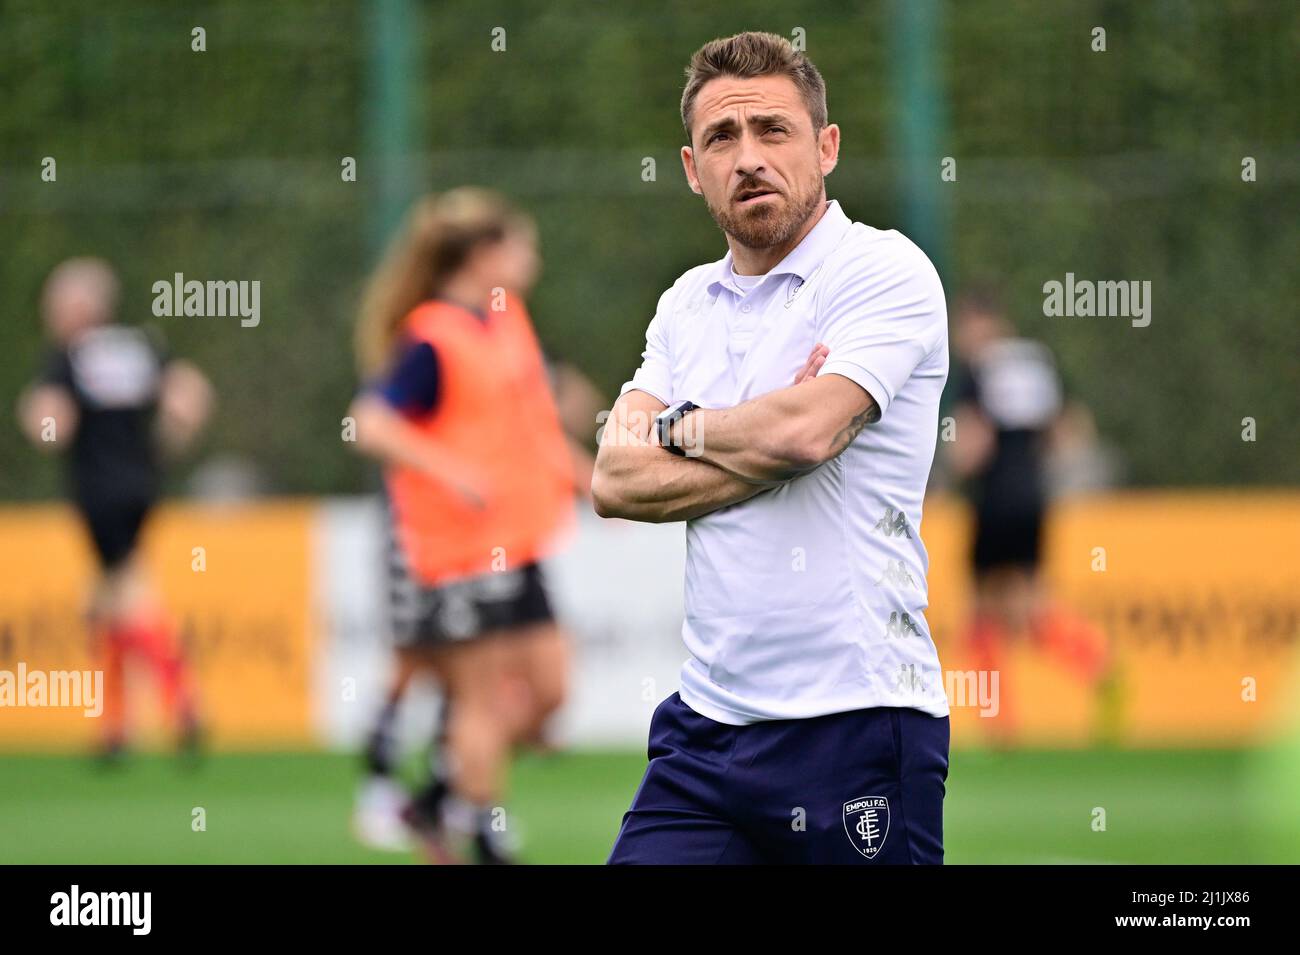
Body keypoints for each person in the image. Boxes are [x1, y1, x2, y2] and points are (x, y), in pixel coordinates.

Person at [593, 32, 950, 864]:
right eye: (723, 137)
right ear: (691, 167)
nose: (748, 156)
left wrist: (682, 427)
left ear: (826, 146)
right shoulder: (685, 302)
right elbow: (613, 477)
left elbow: (807, 429)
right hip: (706, 735)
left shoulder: (884, 270)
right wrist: (774, 437)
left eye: (773, 130)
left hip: (857, 722)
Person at [347, 188, 578, 864]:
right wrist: (451, 472)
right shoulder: (430, 335)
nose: (531, 258)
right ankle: (479, 829)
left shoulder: (507, 321)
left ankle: (435, 797)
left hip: (521, 536)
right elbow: (370, 422)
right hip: (460, 546)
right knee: (477, 699)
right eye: (520, 244)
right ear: (484, 254)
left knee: (548, 695)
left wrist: (586, 477)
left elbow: (530, 426)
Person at [17, 257, 212, 760]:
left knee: (129, 597)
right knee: (105, 603)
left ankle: (181, 703)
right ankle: (114, 727)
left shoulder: (70, 356)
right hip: (141, 486)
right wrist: (162, 446)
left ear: (82, 308)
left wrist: (39, 423)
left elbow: (50, 424)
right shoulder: (140, 346)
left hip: (98, 492)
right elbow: (189, 396)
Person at [947, 287, 1112, 744]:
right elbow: (1071, 429)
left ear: (981, 324)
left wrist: (945, 468)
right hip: (1034, 499)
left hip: (993, 501)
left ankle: (999, 723)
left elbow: (971, 448)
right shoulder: (1036, 361)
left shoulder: (978, 370)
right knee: (1031, 608)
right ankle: (1099, 666)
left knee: (981, 610)